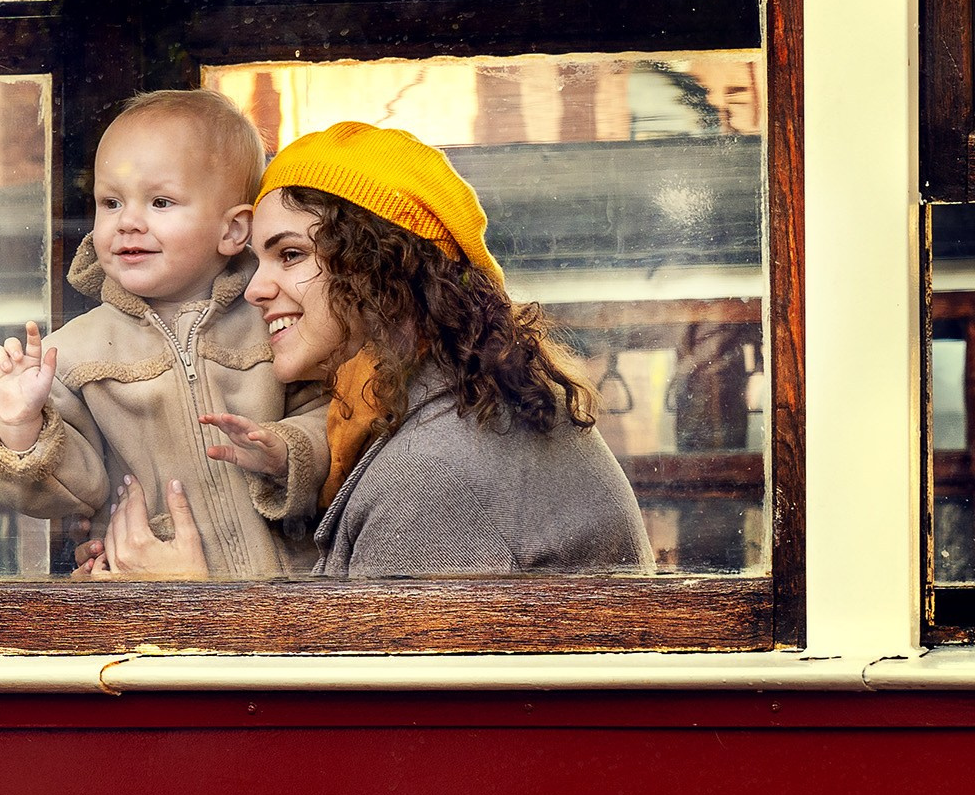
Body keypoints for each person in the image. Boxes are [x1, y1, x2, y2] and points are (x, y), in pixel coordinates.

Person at [96, 121, 652, 580]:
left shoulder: (435, 475)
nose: (254, 289)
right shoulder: (451, 412)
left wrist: (186, 600)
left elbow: (354, 709)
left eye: (289, 255)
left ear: (378, 266)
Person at [0, 88, 328, 577]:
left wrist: (286, 450)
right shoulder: (73, 353)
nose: (129, 223)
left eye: (160, 202)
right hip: (145, 602)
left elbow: (332, 417)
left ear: (233, 231)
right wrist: (21, 426)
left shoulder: (274, 324)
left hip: (288, 599)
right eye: (111, 202)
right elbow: (71, 491)